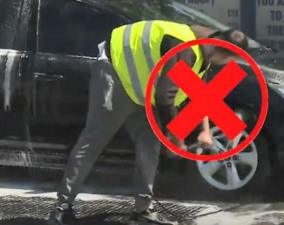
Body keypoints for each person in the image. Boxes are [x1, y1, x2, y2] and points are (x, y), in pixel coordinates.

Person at [48, 20, 248, 225]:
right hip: (115, 70)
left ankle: (143, 211)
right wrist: (175, 138)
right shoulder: (185, 50)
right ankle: (61, 209)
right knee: (94, 140)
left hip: (141, 86)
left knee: (150, 142)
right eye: (232, 61)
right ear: (225, 54)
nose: (229, 66)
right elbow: (165, 97)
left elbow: (201, 94)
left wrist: (205, 131)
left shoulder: (205, 48)